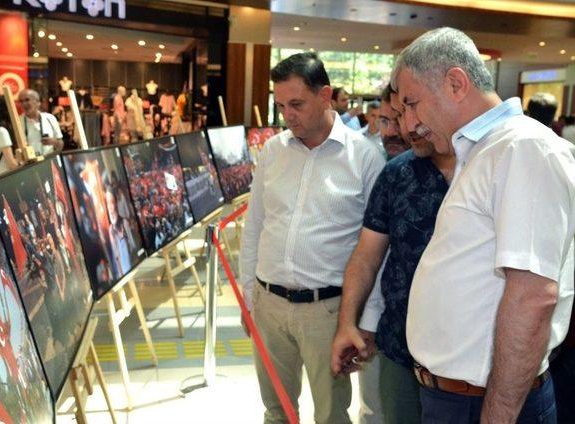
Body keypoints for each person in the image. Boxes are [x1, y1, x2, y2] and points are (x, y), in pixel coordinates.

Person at [391, 27, 575, 422]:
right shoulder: (484, 150)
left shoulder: (522, 147)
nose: (408, 124)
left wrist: (497, 415)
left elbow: (533, 295)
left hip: (484, 403)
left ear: (456, 83)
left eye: (412, 104)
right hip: (458, 397)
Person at [239, 52, 385, 424]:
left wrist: (365, 320)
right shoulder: (273, 151)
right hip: (269, 303)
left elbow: (379, 251)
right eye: (281, 105)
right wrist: (248, 297)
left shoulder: (365, 158)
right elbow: (255, 225)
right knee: (276, 411)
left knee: (331, 414)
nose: (288, 115)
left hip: (328, 312)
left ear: (324, 96)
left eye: (297, 104)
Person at [331, 82, 455, 423]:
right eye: (395, 116)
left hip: (464, 360)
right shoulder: (396, 173)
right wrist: (349, 322)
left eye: (410, 111)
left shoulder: (481, 168)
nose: (404, 127)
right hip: (399, 349)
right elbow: (367, 256)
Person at [18, 89, 63, 156]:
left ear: (37, 102)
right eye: (21, 101)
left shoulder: (50, 118)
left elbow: (61, 144)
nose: (24, 104)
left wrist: (54, 142)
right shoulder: (18, 122)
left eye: (27, 100)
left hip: (49, 162)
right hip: (29, 165)